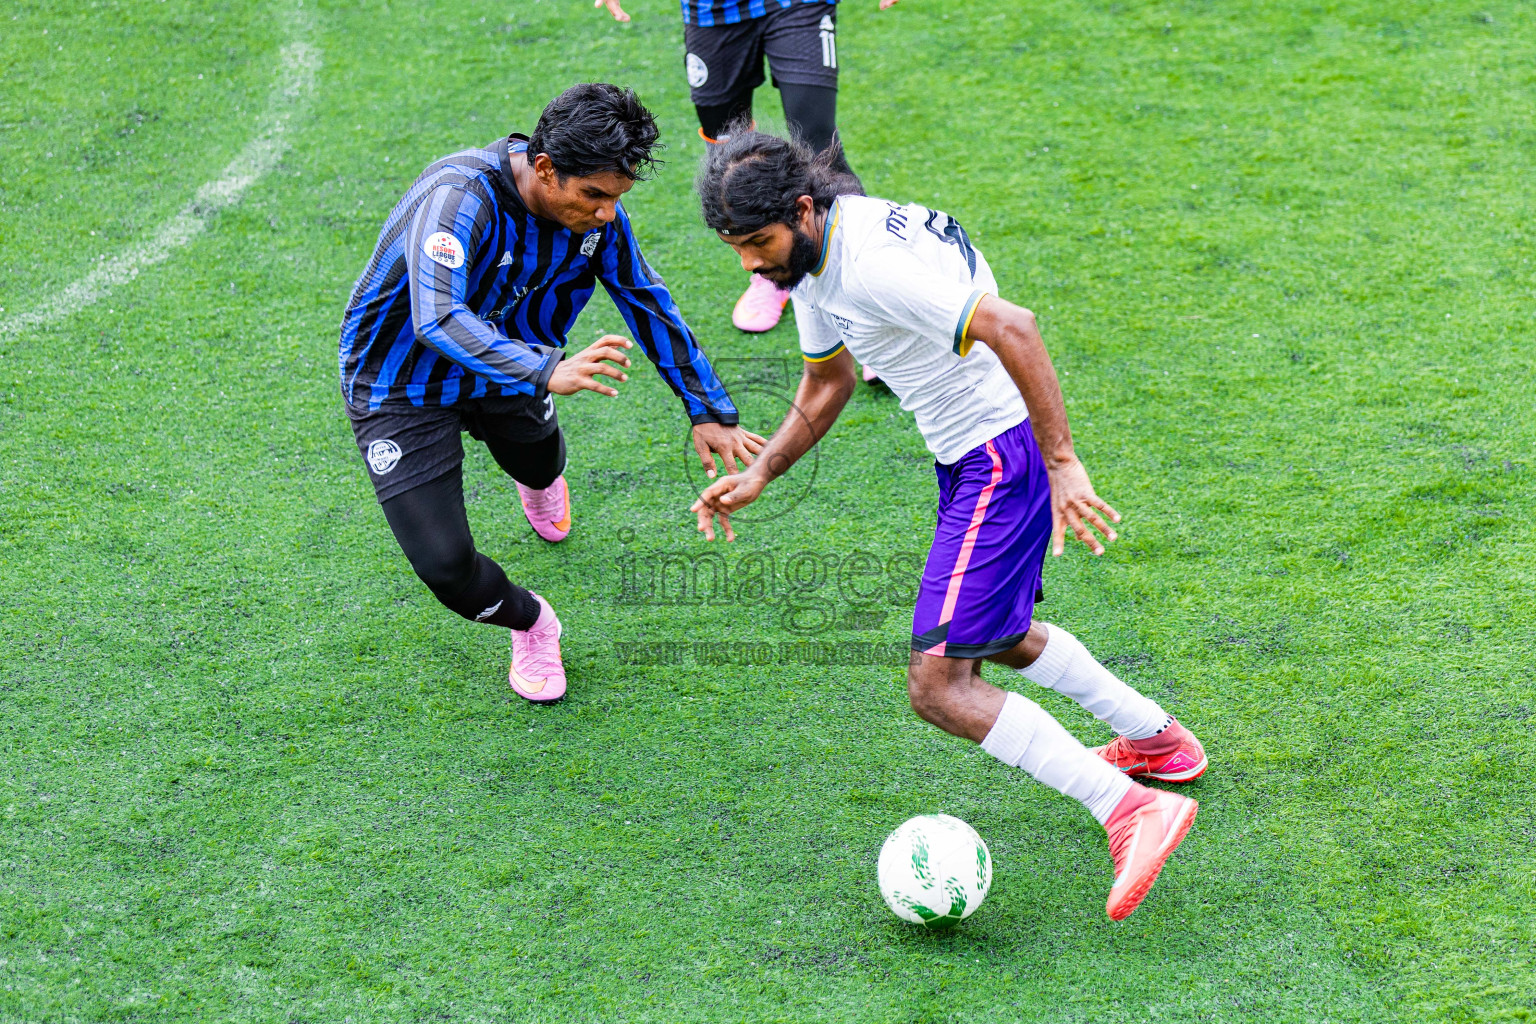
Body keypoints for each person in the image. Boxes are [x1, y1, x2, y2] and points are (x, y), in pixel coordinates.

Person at [689, 129, 1207, 921]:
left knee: (939, 686)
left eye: (758, 244)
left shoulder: (870, 268)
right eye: (737, 250)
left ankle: (1128, 807)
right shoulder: (822, 254)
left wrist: (1063, 463)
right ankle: (1157, 740)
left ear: (801, 208)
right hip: (974, 455)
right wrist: (763, 471)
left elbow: (1015, 326)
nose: (752, 266)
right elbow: (828, 379)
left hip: (996, 453)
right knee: (992, 632)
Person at [338, 84, 763, 705]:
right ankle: (534, 622)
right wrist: (542, 370)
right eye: (594, 195)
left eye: (617, 197)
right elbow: (437, 316)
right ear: (543, 169)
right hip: (401, 383)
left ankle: (536, 477)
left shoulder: (597, 219)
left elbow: (648, 302)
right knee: (447, 570)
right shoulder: (458, 199)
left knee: (538, 463)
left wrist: (707, 409)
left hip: (513, 364)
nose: (607, 214)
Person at [593, 0, 898, 354]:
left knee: (819, 143)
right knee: (727, 157)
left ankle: (863, 282)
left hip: (798, 6)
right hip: (712, 12)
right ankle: (771, 266)